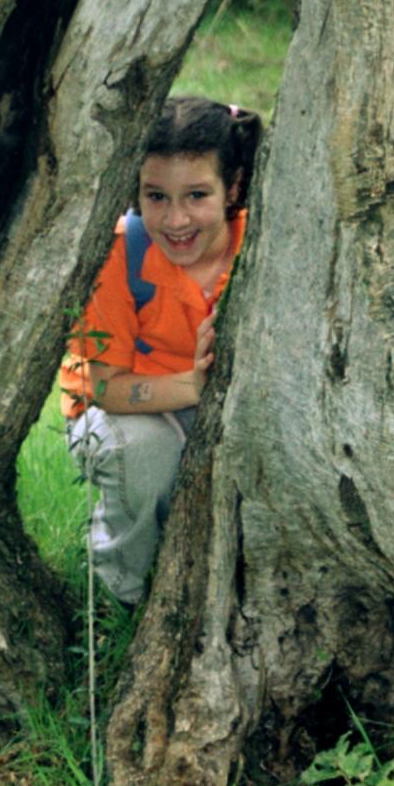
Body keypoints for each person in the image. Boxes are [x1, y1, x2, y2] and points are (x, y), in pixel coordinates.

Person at [61, 95, 263, 606]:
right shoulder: (118, 252)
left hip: (225, 403)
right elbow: (106, 386)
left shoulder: (260, 244)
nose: (176, 220)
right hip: (125, 407)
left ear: (233, 188)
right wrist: (192, 386)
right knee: (148, 459)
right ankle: (120, 595)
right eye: (156, 197)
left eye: (197, 195)